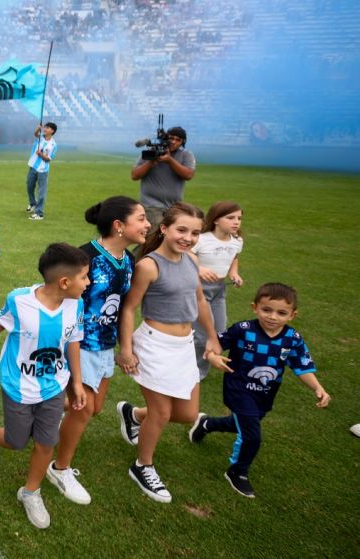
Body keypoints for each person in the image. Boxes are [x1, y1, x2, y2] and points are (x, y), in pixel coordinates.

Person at [115, 203, 229, 503]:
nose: (188, 237)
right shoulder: (148, 266)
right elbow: (128, 309)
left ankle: (133, 414)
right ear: (164, 228)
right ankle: (143, 466)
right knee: (162, 413)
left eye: (195, 232)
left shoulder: (192, 259)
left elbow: (201, 303)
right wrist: (125, 349)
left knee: (187, 413)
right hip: (154, 345)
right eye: (181, 230)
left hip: (184, 346)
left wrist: (212, 339)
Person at [0, 243, 90, 529]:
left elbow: (73, 341)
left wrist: (76, 381)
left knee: (46, 441)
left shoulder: (76, 304)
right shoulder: (19, 300)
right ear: (64, 282)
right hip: (18, 386)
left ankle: (31, 492)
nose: (88, 283)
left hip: (54, 386)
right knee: (17, 440)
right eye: (84, 277)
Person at [188, 283, 331, 498]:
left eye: (281, 312)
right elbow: (215, 342)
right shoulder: (243, 329)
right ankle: (237, 472)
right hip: (239, 389)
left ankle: (207, 423)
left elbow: (301, 367)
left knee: (244, 424)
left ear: (292, 315)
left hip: (264, 393)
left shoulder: (292, 339)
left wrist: (318, 387)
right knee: (252, 435)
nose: (273, 317)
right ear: (255, 307)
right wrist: (212, 356)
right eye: (267, 310)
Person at [51, 196, 150, 505]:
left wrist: (125, 348)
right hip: (80, 346)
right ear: (119, 226)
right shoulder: (85, 257)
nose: (148, 224)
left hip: (105, 347)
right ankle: (59, 468)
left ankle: (40, 417)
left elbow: (122, 308)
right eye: (142, 218)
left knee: (92, 409)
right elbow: (60, 299)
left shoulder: (129, 260)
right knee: (82, 411)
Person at [192, 201, 245, 379]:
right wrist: (199, 268)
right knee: (202, 334)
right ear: (215, 220)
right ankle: (196, 373)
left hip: (219, 289)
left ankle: (194, 363)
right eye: (230, 218)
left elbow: (234, 258)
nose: (236, 222)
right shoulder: (201, 238)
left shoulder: (237, 241)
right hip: (199, 289)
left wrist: (234, 273)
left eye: (239, 218)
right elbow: (188, 255)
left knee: (219, 331)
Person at [130, 127, 196, 225]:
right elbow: (134, 175)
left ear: (182, 142)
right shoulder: (151, 152)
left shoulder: (186, 155)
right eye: (171, 138)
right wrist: (150, 163)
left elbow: (188, 175)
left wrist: (170, 160)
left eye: (178, 140)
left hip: (174, 206)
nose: (174, 142)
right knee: (157, 233)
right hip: (151, 205)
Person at [26, 123, 57, 221]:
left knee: (41, 192)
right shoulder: (40, 138)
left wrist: (40, 154)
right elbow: (35, 134)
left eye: (47, 128)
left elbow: (48, 159)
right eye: (45, 127)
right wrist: (38, 128)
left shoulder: (53, 145)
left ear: (52, 131)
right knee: (29, 187)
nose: (45, 129)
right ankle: (33, 204)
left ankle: (39, 213)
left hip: (43, 170)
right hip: (33, 167)